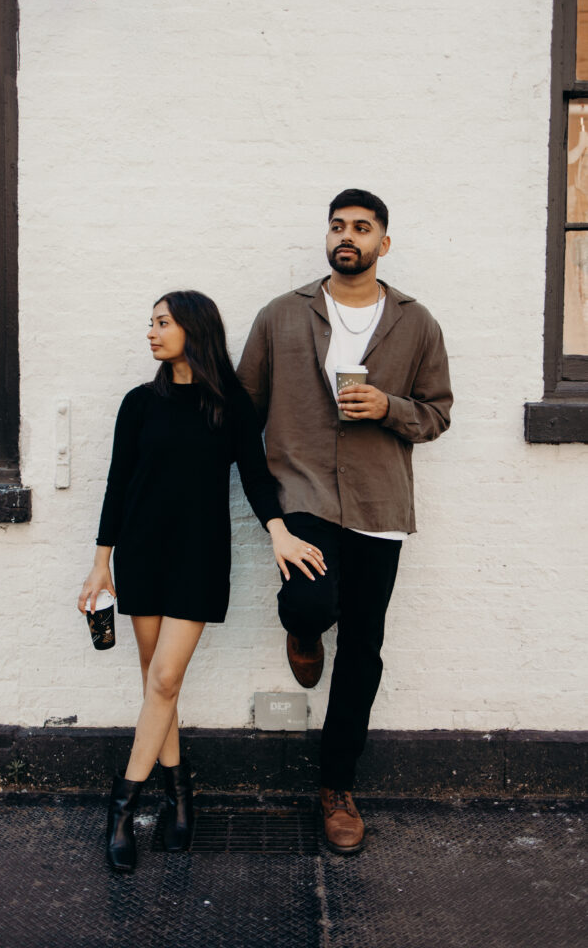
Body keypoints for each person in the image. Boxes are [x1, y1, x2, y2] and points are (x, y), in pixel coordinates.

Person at [78, 290, 325, 873]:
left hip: (198, 557)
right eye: (151, 322)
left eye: (162, 322)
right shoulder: (139, 403)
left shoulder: (230, 405)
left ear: (193, 327)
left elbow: (257, 478)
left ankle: (122, 807)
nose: (151, 332)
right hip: (141, 552)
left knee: (163, 679)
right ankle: (181, 798)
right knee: (154, 685)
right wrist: (100, 562)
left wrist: (279, 532)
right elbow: (119, 484)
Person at [237, 189, 452, 854]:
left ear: (383, 242)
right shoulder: (281, 316)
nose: (346, 237)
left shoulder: (416, 324)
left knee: (362, 648)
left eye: (361, 228)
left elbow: (437, 413)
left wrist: (387, 406)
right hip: (302, 491)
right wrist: (267, 513)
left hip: (378, 503)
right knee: (308, 599)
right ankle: (303, 632)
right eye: (337, 226)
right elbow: (245, 414)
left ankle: (336, 788)